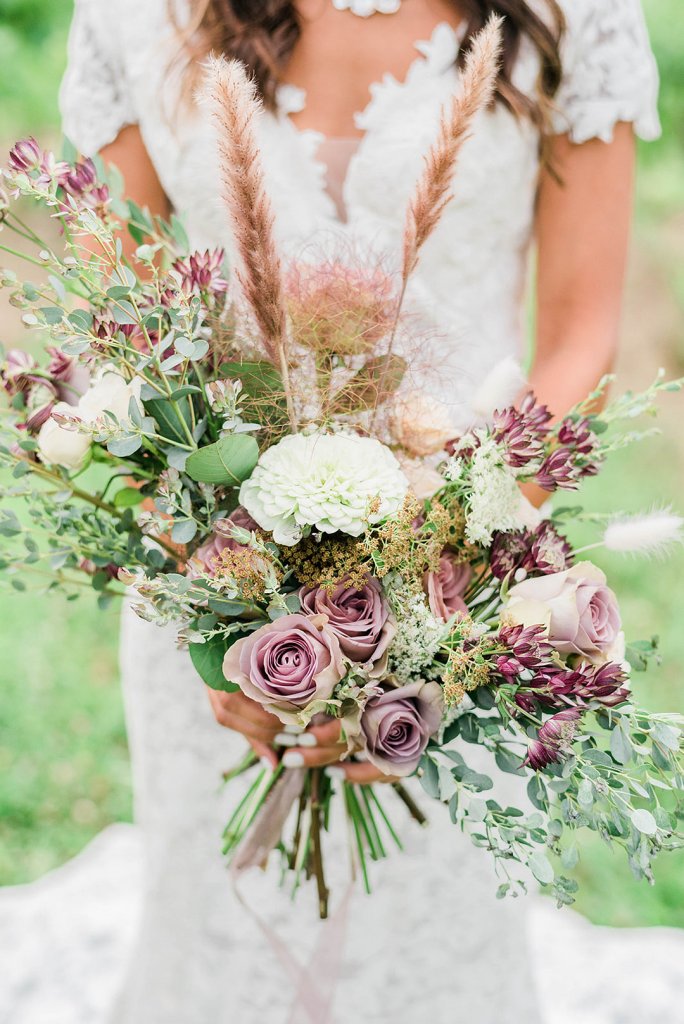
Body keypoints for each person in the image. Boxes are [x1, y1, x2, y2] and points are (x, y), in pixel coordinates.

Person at [58, 1, 660, 1021]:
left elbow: (579, 334)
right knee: (215, 944)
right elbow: (126, 336)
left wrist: (441, 588)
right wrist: (227, 603)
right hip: (213, 596)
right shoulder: (127, 15)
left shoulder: (579, 12)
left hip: (470, 600)